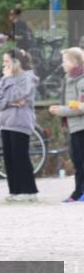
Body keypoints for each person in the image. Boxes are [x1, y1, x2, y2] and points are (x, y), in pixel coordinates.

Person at [0, 48, 40, 202]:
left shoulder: (27, 77)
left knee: (20, 156)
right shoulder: (6, 78)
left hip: (20, 121)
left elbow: (18, 95)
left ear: (16, 62)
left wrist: (9, 83)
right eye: (4, 62)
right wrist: (11, 102)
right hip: (6, 122)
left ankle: (28, 191)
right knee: (9, 158)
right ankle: (14, 190)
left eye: (7, 61)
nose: (4, 65)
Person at [48, 47, 84, 203]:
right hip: (74, 126)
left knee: (82, 161)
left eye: (65, 61)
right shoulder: (68, 78)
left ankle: (79, 193)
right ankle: (78, 192)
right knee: (77, 161)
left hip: (82, 127)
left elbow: (81, 106)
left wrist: (61, 110)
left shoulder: (82, 80)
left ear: (75, 62)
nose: (62, 64)